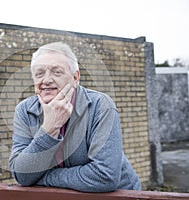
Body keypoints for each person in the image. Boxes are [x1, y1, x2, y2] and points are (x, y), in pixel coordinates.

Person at [9, 42, 141, 192]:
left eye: (56, 72)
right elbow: (22, 175)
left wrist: (44, 178)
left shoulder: (100, 105)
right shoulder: (25, 110)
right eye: (39, 73)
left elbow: (105, 176)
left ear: (75, 77)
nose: (46, 80)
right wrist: (49, 129)